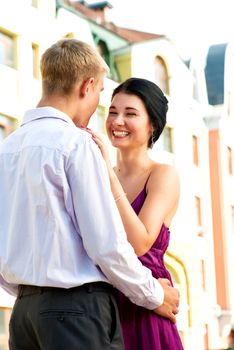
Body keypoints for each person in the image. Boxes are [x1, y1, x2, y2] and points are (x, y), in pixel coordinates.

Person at [0, 39, 179, 350]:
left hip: (24, 314)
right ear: (87, 85)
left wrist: (32, 294)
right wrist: (154, 294)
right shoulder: (76, 144)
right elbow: (105, 245)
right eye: (103, 100)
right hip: (78, 311)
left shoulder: (7, 148)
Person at [88, 77, 184, 349]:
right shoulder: (97, 174)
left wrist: (107, 174)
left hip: (147, 304)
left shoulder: (163, 174)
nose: (117, 121)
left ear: (152, 124)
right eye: (113, 112)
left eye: (130, 114)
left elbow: (140, 242)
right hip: (102, 301)